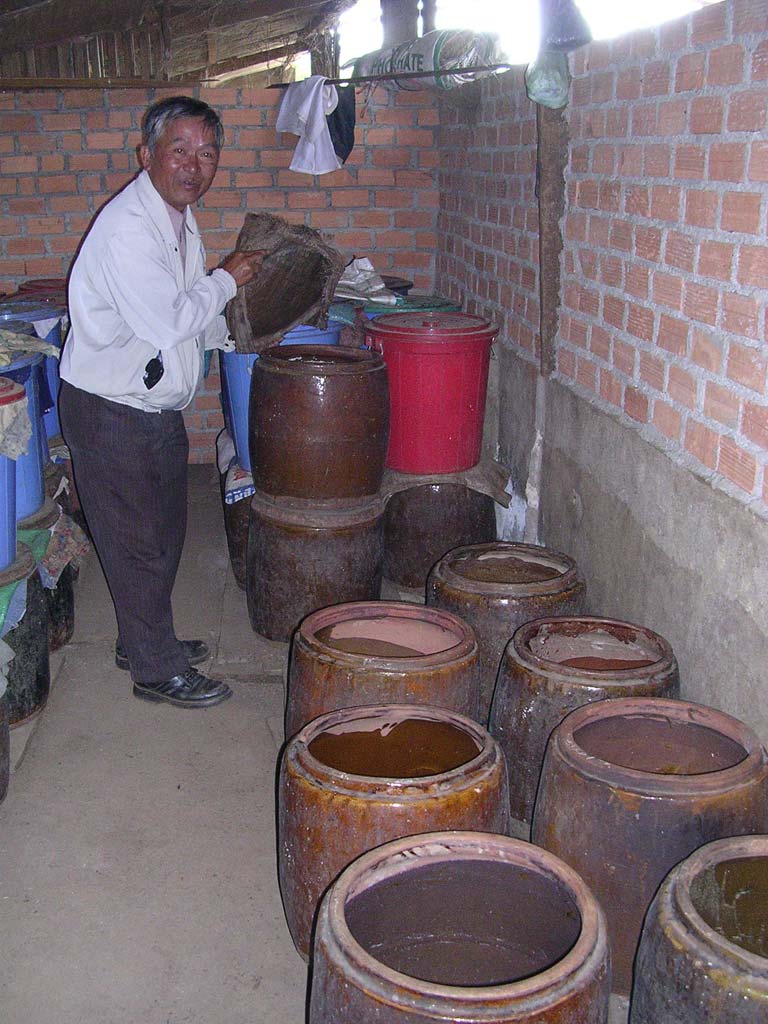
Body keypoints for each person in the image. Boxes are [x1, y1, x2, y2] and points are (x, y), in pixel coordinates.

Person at [59, 95, 263, 709]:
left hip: (149, 409)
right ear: (146, 154)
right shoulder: (128, 227)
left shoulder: (176, 217)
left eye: (207, 153)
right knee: (137, 544)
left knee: (166, 532)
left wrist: (228, 332)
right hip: (111, 410)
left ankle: (142, 638)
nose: (194, 166)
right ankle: (155, 669)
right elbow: (169, 318)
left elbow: (187, 309)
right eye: (179, 150)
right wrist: (228, 279)